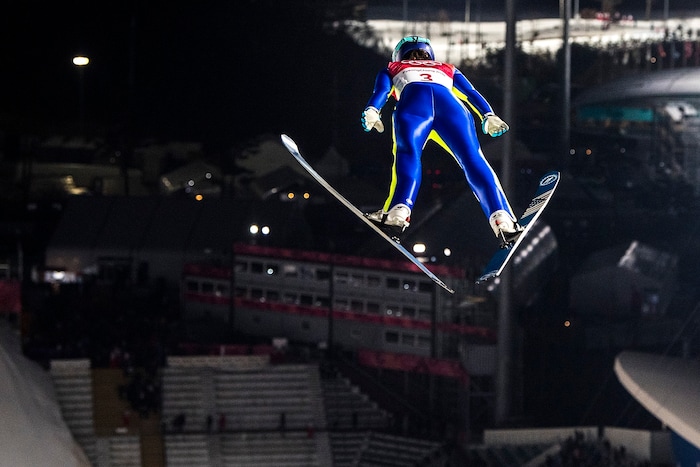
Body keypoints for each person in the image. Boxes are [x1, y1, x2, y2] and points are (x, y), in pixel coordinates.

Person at [361, 36, 521, 245]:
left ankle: (398, 211)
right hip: (452, 110)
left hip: (413, 106)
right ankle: (502, 219)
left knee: (408, 153)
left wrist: (372, 110)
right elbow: (470, 93)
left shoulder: (393, 67)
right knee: (473, 160)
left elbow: (381, 91)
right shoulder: (447, 67)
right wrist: (488, 114)